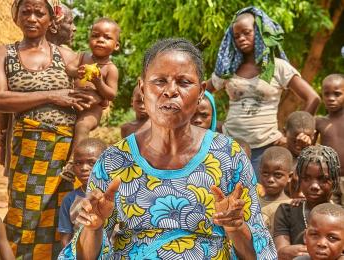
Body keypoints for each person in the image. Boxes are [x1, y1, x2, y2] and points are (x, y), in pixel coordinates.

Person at [58, 38, 277, 259]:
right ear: (143, 89)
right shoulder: (114, 161)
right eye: (160, 81)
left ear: (201, 91)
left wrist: (235, 227)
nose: (170, 91)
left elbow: (257, 253)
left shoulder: (228, 156)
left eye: (183, 82)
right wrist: (93, 228)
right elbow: (85, 256)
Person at [0, 0, 97, 258]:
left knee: (60, 218)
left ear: (51, 19)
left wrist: (89, 101)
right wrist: (52, 96)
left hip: (63, 153)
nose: (31, 18)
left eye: (38, 13)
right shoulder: (4, 53)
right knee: (24, 215)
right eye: (25, 12)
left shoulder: (66, 56)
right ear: (16, 16)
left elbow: (87, 98)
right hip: (27, 151)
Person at [207, 6, 320, 177]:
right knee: (232, 198)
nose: (241, 39)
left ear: (259, 33)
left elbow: (313, 98)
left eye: (246, 33)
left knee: (261, 198)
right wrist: (216, 124)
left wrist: (299, 132)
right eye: (236, 36)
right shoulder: (229, 69)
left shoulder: (277, 67)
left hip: (266, 147)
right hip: (231, 146)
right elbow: (200, 93)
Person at [61, 17, 120, 182]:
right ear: (89, 39)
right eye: (95, 36)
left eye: (107, 38)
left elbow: (111, 94)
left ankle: (73, 164)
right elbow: (68, 68)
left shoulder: (111, 69)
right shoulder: (82, 57)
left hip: (93, 109)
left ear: (116, 45)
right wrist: (76, 72)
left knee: (82, 126)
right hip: (74, 102)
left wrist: (98, 82)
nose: (100, 40)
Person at [273, 145, 340, 260]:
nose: (314, 186)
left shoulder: (341, 217)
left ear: (333, 181)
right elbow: (282, 252)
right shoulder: (287, 211)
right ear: (299, 179)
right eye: (306, 178)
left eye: (322, 179)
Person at [58, 138, 107, 248]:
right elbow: (66, 238)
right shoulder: (70, 200)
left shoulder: (117, 196)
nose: (84, 168)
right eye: (78, 163)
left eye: (91, 163)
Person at [316, 74, 344, 206]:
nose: (331, 98)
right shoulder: (319, 122)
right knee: (332, 216)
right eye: (326, 94)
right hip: (329, 180)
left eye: (337, 94)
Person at [259, 146, 292, 235]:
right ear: (260, 172)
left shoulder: (291, 206)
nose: (270, 179)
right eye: (265, 173)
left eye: (277, 175)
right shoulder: (253, 202)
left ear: (290, 176)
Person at [285, 111, 315, 198]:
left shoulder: (318, 158)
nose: (300, 142)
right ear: (284, 132)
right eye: (295, 140)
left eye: (307, 137)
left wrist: (306, 152)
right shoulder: (277, 156)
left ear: (314, 135)